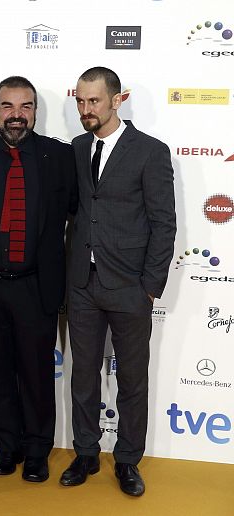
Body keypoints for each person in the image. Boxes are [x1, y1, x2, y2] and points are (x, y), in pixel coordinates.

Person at [60, 66, 176, 497]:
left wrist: (149, 284)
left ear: (117, 100)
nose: (86, 109)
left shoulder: (149, 151)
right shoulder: (75, 148)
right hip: (83, 284)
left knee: (131, 380)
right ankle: (86, 453)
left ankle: (127, 460)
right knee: (83, 377)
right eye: (80, 101)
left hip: (130, 286)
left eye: (94, 101)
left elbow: (164, 223)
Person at [0, 76, 76, 482]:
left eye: (25, 107)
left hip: (35, 285)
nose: (17, 116)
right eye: (8, 106)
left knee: (37, 375)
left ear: (35, 112)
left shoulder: (58, 156)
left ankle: (38, 451)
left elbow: (79, 211)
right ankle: (7, 449)